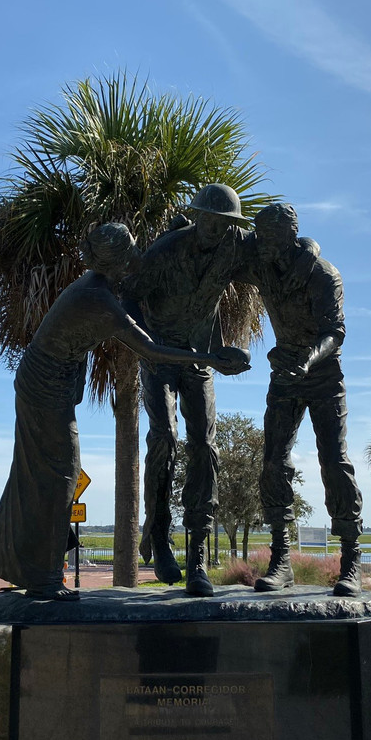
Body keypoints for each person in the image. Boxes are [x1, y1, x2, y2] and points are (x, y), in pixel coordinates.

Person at [0, 223, 249, 600]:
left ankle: (29, 569)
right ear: (118, 261)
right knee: (59, 474)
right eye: (132, 253)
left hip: (51, 380)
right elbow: (151, 350)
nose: (139, 257)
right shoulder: (100, 300)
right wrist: (209, 358)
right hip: (44, 385)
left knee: (45, 472)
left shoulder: (99, 286)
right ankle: (42, 579)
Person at [123, 184, 254, 597]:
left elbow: (274, 257)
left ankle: (197, 554)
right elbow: (127, 297)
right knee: (164, 438)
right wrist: (144, 343)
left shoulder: (234, 247)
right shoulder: (167, 251)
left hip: (200, 361)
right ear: (197, 216)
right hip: (160, 357)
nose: (218, 230)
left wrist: (227, 353)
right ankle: (159, 535)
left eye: (226, 223)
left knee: (206, 448)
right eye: (211, 221)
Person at [244, 203, 365, 596]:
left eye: (270, 237)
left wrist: (308, 361)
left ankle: (351, 560)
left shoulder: (323, 274)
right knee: (273, 460)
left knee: (334, 459)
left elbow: (336, 333)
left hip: (324, 375)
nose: (262, 244)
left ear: (289, 236)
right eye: (260, 236)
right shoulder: (262, 261)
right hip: (284, 376)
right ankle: (281, 559)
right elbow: (224, 251)